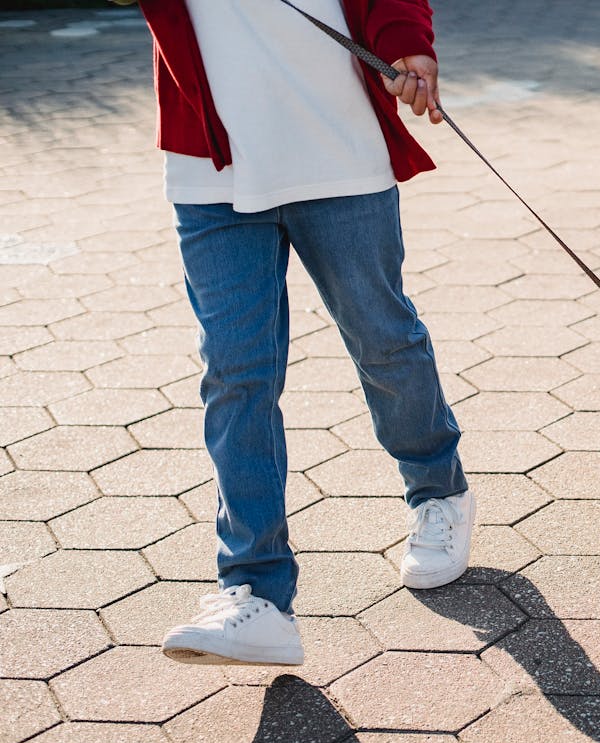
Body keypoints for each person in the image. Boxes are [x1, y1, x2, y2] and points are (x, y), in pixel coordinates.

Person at [130, 0, 474, 667]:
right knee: (236, 371)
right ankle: (256, 592)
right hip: (212, 164)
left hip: (335, 145)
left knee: (381, 337)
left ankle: (439, 490)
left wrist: (406, 42)